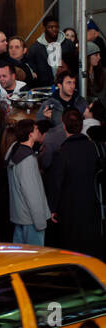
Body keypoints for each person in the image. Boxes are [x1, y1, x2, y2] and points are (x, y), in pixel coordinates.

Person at [46, 108, 104, 255]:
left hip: (70, 210)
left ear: (64, 126)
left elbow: (56, 184)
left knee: (72, 250)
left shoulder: (62, 153)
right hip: (93, 207)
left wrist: (53, 208)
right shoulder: (94, 148)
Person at [6, 120, 51, 246]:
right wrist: (40, 222)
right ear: (30, 134)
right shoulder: (27, 160)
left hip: (19, 215)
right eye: (36, 129)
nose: (38, 131)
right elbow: (32, 194)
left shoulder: (14, 151)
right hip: (31, 219)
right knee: (35, 259)